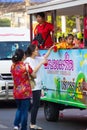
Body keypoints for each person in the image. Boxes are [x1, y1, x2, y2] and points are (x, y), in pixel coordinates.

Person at [25, 44, 54, 130]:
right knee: (35, 105)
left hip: (38, 85)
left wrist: (50, 49)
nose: (38, 51)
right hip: (33, 84)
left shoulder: (37, 58)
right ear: (32, 52)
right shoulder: (28, 60)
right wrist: (41, 63)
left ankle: (32, 123)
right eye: (36, 50)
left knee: (36, 104)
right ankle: (32, 124)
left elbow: (45, 56)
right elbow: (33, 71)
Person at [11, 49, 36, 130]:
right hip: (25, 92)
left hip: (16, 92)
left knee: (19, 109)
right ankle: (23, 128)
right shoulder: (25, 66)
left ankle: (16, 125)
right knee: (24, 111)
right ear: (23, 56)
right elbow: (34, 75)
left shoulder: (13, 66)